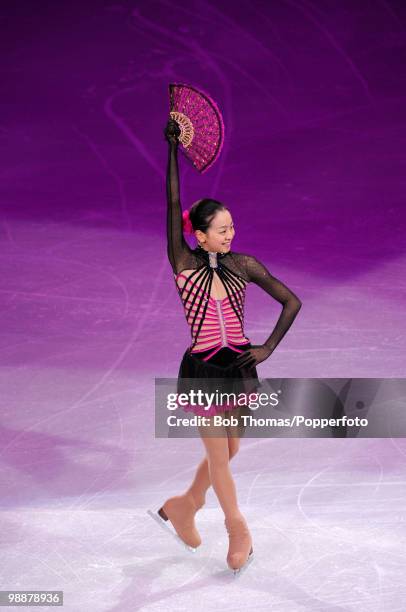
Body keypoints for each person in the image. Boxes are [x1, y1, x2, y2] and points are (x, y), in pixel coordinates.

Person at [155, 118, 302, 573]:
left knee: (231, 449)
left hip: (238, 368)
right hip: (201, 370)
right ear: (198, 236)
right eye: (220, 229)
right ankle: (237, 528)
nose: (229, 234)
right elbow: (173, 201)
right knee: (221, 456)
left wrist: (268, 348)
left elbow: (291, 301)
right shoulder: (183, 262)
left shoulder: (243, 264)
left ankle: (184, 505)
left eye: (232, 226)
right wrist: (173, 154)